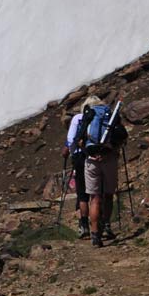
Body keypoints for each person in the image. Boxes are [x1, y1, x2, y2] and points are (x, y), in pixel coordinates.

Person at [82, 97, 128, 248]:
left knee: (94, 198)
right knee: (108, 195)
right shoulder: (111, 115)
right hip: (109, 158)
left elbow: (79, 141)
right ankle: (107, 225)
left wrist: (88, 153)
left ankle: (95, 236)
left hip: (91, 160)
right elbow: (120, 135)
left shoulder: (87, 116)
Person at [63, 98, 97, 238]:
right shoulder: (99, 118)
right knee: (96, 193)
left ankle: (84, 226)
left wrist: (71, 151)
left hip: (79, 157)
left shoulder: (78, 118)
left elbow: (71, 140)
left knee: (82, 194)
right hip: (97, 155)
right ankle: (100, 224)